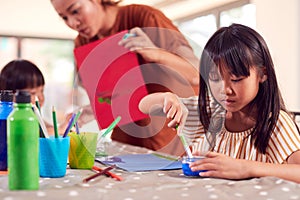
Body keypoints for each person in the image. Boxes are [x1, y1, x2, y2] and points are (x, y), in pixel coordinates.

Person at [138, 23, 300, 183]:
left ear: (262, 74)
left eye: (236, 79)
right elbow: (144, 105)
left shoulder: (274, 123)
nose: (225, 90)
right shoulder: (209, 111)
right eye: (215, 79)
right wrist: (167, 98)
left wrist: (246, 168)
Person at [50, 0, 200, 155]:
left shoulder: (145, 18)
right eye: (64, 17)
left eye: (75, 11)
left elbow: (196, 74)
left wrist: (155, 52)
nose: (73, 23)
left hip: (172, 141)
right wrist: (90, 111)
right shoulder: (82, 42)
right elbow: (115, 97)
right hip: (126, 144)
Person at [0, 59, 68, 136]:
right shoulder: (7, 118)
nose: (41, 98)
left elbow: (45, 128)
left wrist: (65, 125)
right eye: (33, 93)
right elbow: (29, 135)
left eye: (42, 91)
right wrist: (60, 129)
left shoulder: (33, 115)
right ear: (10, 95)